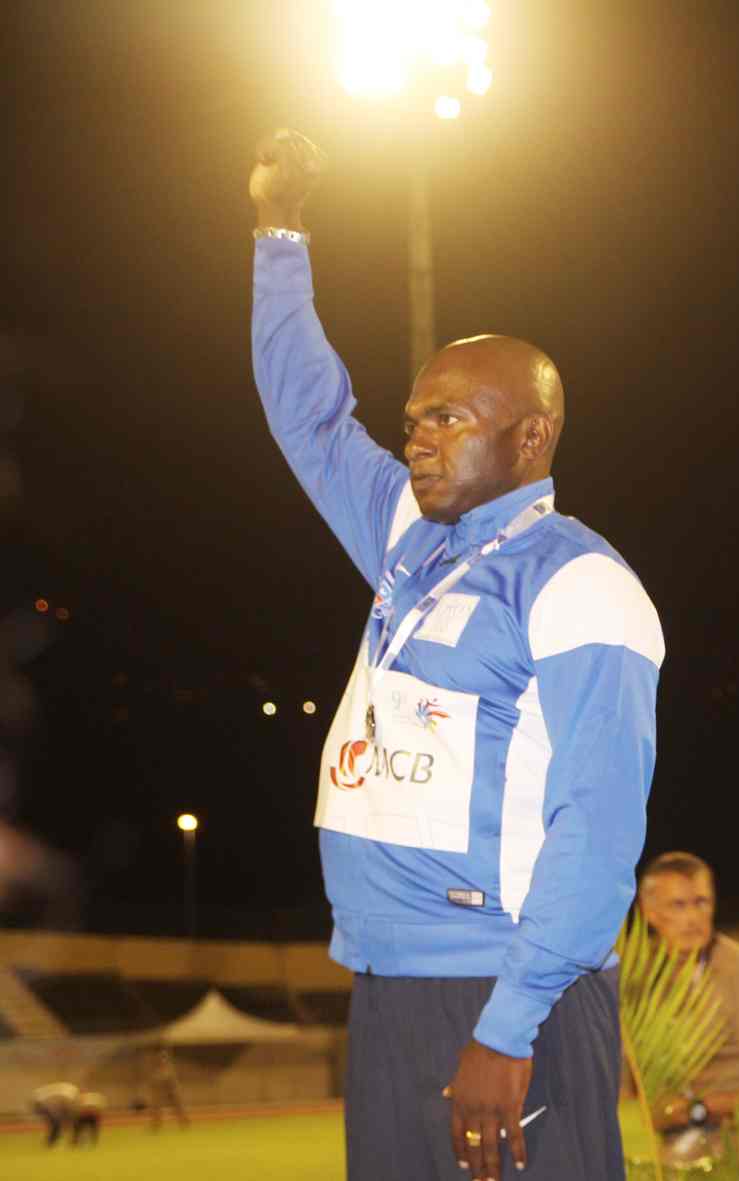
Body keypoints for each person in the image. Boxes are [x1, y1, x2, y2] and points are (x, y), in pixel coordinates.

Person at [249, 130, 664, 1181]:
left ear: (529, 438)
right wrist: (279, 231)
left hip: (508, 993)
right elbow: (308, 416)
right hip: (386, 983)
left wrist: (512, 1021)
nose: (418, 437)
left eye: (448, 418)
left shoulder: (580, 584)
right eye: (412, 418)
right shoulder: (408, 538)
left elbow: (597, 826)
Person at [636, 851, 739, 1165]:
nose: (693, 917)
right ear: (649, 912)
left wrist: (699, 1109)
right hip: (663, 1146)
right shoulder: (639, 977)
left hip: (737, 1144)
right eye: (678, 905)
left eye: (701, 902)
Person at [145, 1049, 188, 1131]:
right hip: (161, 1091)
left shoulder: (169, 1069)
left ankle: (184, 1122)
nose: (162, 1060)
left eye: (164, 1058)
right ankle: (156, 1124)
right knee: (156, 1107)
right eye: (161, 1058)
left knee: (178, 1107)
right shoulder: (157, 1070)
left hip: (172, 1091)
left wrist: (174, 1091)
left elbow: (171, 1081)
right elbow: (155, 1083)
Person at [30, 1081, 78, 1147]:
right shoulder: (69, 1092)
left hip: (49, 1107)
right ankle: (52, 1141)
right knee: (57, 1125)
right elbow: (63, 1107)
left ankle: (52, 1141)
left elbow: (63, 1107)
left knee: (57, 1125)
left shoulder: (67, 1092)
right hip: (47, 1106)